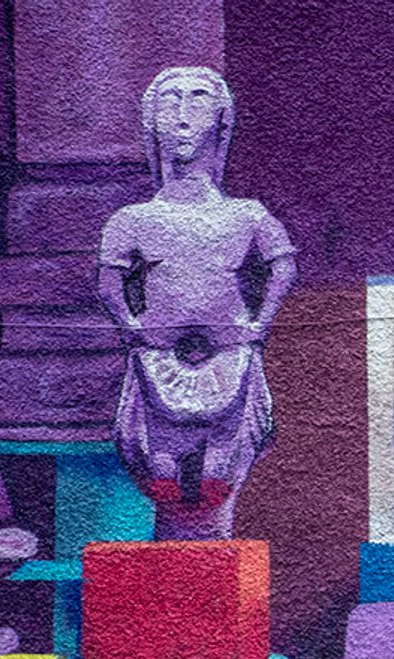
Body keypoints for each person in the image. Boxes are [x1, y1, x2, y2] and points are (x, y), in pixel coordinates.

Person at [96, 66, 297, 540]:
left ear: (221, 121)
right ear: (152, 123)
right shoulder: (132, 220)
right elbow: (109, 283)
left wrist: (259, 325)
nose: (183, 116)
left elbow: (283, 266)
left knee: (219, 473)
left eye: (198, 100)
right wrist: (131, 327)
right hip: (156, 363)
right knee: (161, 471)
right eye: (170, 102)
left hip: (232, 358)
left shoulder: (245, 215)